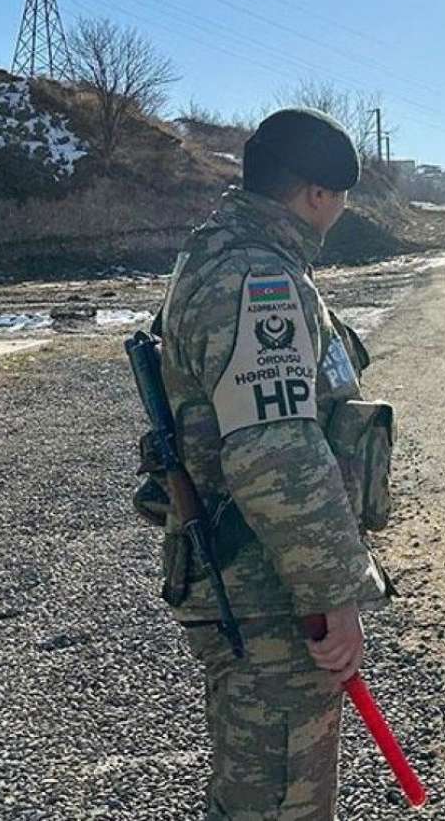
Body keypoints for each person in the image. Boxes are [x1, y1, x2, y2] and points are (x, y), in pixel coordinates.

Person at [151, 108, 396, 819]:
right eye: (340, 196)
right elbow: (276, 452)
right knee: (278, 799)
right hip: (271, 591)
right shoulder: (257, 277)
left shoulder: (228, 252)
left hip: (260, 580)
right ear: (317, 194)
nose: (343, 210)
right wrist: (333, 592)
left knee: (258, 792)